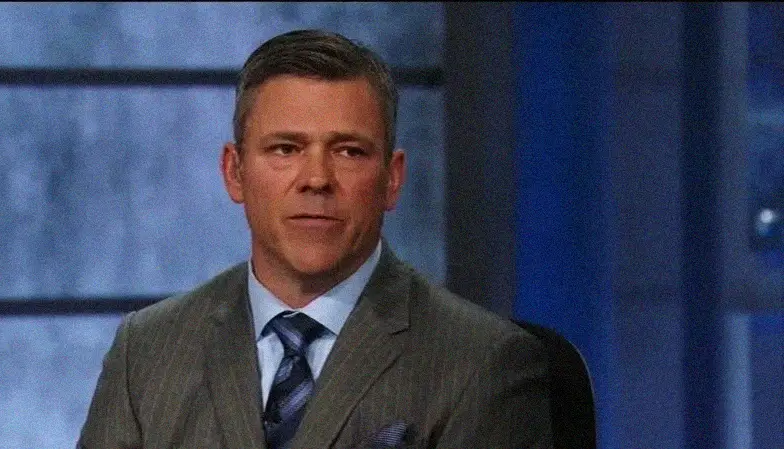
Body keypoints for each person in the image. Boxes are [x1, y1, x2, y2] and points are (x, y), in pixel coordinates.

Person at [78, 29, 552, 449]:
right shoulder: (146, 352)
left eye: (349, 151)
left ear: (392, 178)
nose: (317, 179)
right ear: (234, 172)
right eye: (286, 149)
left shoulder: (481, 363)